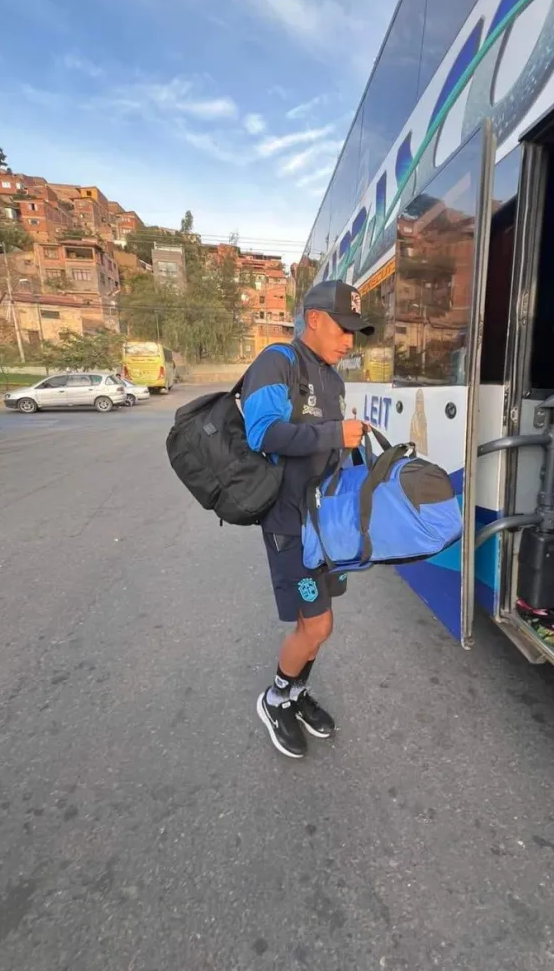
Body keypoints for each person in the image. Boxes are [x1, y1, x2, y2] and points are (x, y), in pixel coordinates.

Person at [241, 280, 375, 758]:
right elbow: (263, 433)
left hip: (324, 526)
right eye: (344, 329)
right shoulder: (278, 362)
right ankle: (275, 698)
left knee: (321, 624)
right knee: (315, 626)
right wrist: (334, 432)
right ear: (314, 319)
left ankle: (295, 693)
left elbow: (330, 450)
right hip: (288, 525)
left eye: (355, 334)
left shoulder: (333, 379)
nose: (349, 342)